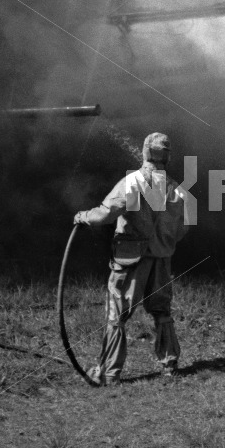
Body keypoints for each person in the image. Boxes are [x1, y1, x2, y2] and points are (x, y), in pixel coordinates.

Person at [74, 132, 190, 383]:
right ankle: (170, 363)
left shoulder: (134, 182)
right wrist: (162, 242)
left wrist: (83, 216)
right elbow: (182, 229)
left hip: (131, 260)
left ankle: (108, 373)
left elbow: (105, 214)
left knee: (117, 314)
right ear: (167, 157)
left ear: (145, 152)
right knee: (161, 311)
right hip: (161, 260)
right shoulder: (177, 190)